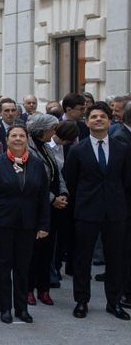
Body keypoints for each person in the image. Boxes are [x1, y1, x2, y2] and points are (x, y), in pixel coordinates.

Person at [63, 102, 131, 320]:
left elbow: (126, 180)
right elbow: (70, 181)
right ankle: (81, 301)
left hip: (115, 212)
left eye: (103, 116)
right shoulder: (77, 150)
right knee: (83, 259)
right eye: (94, 117)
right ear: (87, 122)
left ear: (110, 121)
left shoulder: (122, 149)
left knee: (116, 259)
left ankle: (114, 302)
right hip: (86, 212)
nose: (98, 119)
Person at [0, 124, 51, 324]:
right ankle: (5, 308)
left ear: (27, 139)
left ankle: (22, 308)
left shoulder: (37, 164)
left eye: (22, 135)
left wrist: (44, 225)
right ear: (7, 139)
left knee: (23, 268)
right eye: (14, 135)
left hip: (28, 225)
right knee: (3, 268)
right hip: (2, 223)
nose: (18, 139)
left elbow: (43, 197)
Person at [25, 113, 69, 306]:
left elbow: (57, 174)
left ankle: (44, 289)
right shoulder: (29, 148)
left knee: (47, 250)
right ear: (43, 130)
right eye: (52, 128)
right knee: (33, 250)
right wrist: (53, 199)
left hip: (51, 207)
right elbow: (32, 181)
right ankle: (28, 289)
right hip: (35, 205)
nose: (55, 132)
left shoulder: (47, 147)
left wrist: (63, 194)